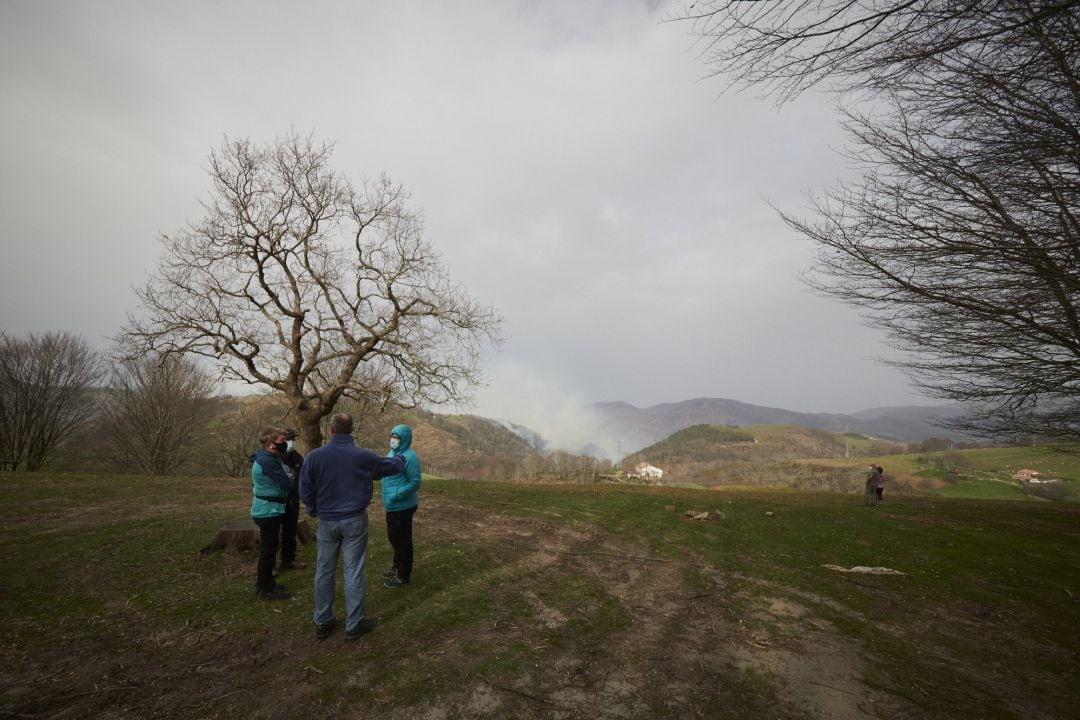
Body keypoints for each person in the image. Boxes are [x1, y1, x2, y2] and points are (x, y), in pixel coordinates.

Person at [299, 413, 405, 641]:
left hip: (327, 521)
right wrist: (401, 459)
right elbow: (388, 466)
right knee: (353, 570)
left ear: (331, 430)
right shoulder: (362, 456)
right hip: (355, 520)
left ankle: (323, 621)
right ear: (351, 430)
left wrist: (313, 509)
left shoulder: (314, 457)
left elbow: (305, 487)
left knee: (324, 571)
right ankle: (354, 624)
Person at [250, 426, 293, 600]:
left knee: (271, 548)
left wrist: (289, 476)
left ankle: (266, 583)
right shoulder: (267, 461)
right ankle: (265, 589)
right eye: (282, 441)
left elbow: (287, 476)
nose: (286, 444)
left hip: (272, 508)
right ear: (270, 444)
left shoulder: (272, 458)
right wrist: (290, 478)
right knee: (268, 550)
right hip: (267, 510)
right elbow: (286, 483)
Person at [381, 424, 421, 588]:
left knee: (403, 541)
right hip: (392, 506)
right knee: (394, 538)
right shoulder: (392, 453)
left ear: (404, 439)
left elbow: (415, 482)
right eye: (392, 435)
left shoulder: (409, 457)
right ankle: (396, 567)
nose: (393, 439)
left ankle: (403, 576)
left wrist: (396, 495)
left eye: (396, 437)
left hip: (403, 506)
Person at [277, 428, 306, 571]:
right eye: (289, 439)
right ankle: (270, 565)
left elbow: (304, 476)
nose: (292, 442)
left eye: (293, 439)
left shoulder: (298, 457)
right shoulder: (275, 457)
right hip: (276, 501)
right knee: (273, 533)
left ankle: (288, 559)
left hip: (293, 500)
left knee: (290, 531)